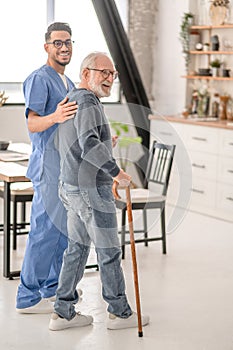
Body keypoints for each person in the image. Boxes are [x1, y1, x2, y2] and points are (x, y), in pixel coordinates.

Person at [49, 52, 150, 331]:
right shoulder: (89, 102)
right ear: (85, 73)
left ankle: (62, 311)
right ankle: (120, 313)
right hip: (91, 190)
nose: (109, 79)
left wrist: (107, 141)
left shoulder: (72, 99)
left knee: (77, 249)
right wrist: (117, 173)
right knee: (108, 251)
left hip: (72, 186)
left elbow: (76, 141)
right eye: (103, 72)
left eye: (113, 74)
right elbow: (89, 145)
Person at [16, 22, 79, 314]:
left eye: (67, 42)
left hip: (66, 169)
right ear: (47, 47)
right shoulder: (39, 79)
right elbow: (32, 123)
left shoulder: (68, 83)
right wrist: (54, 116)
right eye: (58, 43)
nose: (64, 47)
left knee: (62, 233)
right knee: (43, 232)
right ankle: (27, 296)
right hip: (48, 168)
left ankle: (53, 288)